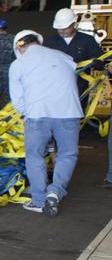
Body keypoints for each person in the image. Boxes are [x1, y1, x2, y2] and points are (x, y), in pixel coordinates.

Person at [8, 30, 81, 217]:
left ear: (20, 47)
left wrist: (27, 114)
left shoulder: (19, 64)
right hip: (69, 112)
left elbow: (18, 100)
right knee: (67, 154)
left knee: (34, 156)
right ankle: (55, 192)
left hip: (38, 114)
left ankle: (39, 200)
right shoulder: (64, 56)